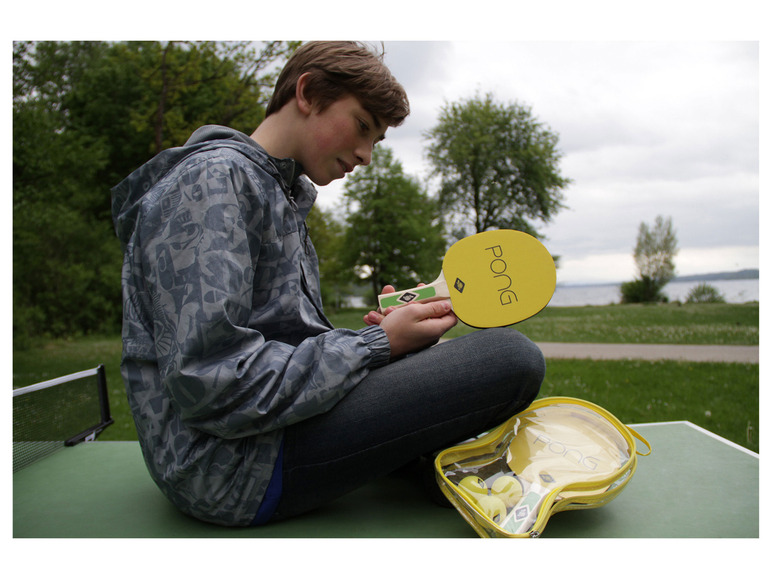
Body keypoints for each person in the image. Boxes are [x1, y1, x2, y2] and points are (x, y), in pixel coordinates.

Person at [111, 41, 545, 527]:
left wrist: (393, 340)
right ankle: (430, 462)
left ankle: (427, 462)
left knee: (437, 356)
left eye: (376, 141)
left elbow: (281, 346)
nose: (364, 154)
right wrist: (372, 346)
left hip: (267, 433)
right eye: (362, 126)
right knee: (513, 357)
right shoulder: (212, 183)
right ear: (309, 92)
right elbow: (211, 382)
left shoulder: (277, 192)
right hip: (231, 467)